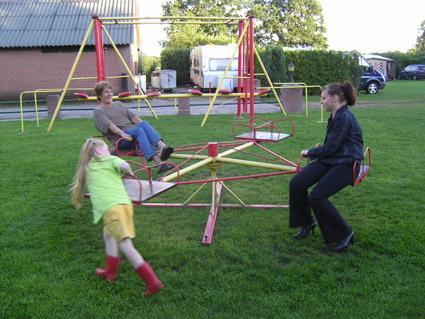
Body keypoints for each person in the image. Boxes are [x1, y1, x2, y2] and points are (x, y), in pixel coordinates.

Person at [70, 138, 164, 296]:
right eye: (107, 148)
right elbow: (124, 165)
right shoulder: (111, 159)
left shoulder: (87, 168)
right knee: (108, 236)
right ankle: (110, 272)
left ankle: (152, 282)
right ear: (99, 152)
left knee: (126, 245)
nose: (109, 151)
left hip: (113, 209)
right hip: (120, 206)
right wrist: (128, 170)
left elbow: (84, 182)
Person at [288, 82, 363, 253]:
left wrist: (310, 152)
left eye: (323, 98)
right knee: (297, 183)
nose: (321, 102)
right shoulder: (335, 115)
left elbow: (332, 147)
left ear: (335, 98)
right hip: (333, 159)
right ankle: (307, 223)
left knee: (316, 197)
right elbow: (333, 146)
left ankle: (345, 234)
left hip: (347, 163)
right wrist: (321, 149)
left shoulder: (344, 117)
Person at [93, 81, 174, 174]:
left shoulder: (119, 104)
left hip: (132, 133)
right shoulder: (98, 111)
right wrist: (123, 134)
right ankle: (159, 163)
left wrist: (145, 127)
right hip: (121, 139)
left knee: (143, 124)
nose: (109, 94)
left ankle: (162, 147)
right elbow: (110, 125)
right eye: (106, 92)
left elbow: (134, 117)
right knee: (139, 130)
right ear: (100, 95)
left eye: (110, 91)